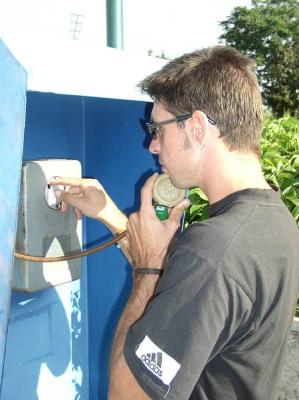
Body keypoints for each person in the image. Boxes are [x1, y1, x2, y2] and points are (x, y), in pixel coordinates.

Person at [52, 46, 299, 400]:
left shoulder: (214, 250)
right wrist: (107, 212)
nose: (152, 145)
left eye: (157, 129)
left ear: (197, 128)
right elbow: (190, 297)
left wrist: (150, 266)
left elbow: (126, 395)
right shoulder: (272, 220)